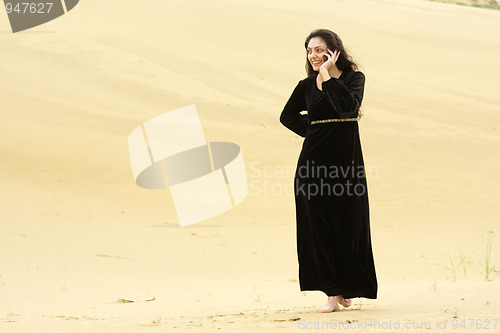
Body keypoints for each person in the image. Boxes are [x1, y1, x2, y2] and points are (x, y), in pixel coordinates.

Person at [280, 29, 377, 313]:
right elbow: (286, 117)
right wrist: (313, 132)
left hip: (346, 165)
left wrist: (326, 76)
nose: (313, 55)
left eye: (319, 50)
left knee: (348, 225)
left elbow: (348, 107)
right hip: (312, 165)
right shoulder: (305, 86)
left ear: (335, 51)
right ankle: (332, 292)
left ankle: (346, 285)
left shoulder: (353, 79)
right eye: (309, 50)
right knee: (318, 228)